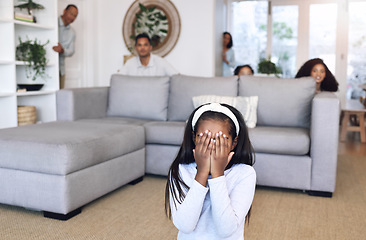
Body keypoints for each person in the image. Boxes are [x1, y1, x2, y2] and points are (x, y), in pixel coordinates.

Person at [165, 102, 256, 240]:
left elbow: (225, 230)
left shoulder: (245, 173)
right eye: (204, 138)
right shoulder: (180, 170)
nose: (211, 145)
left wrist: (217, 175)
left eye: (220, 140)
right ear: (194, 137)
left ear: (234, 142)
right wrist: (201, 173)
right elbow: (185, 225)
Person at [52, 4, 78, 89]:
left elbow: (71, 51)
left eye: (75, 16)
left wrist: (63, 50)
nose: (72, 17)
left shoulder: (72, 33)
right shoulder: (52, 24)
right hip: (48, 66)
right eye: (71, 13)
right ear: (64, 11)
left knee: (60, 97)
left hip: (61, 71)